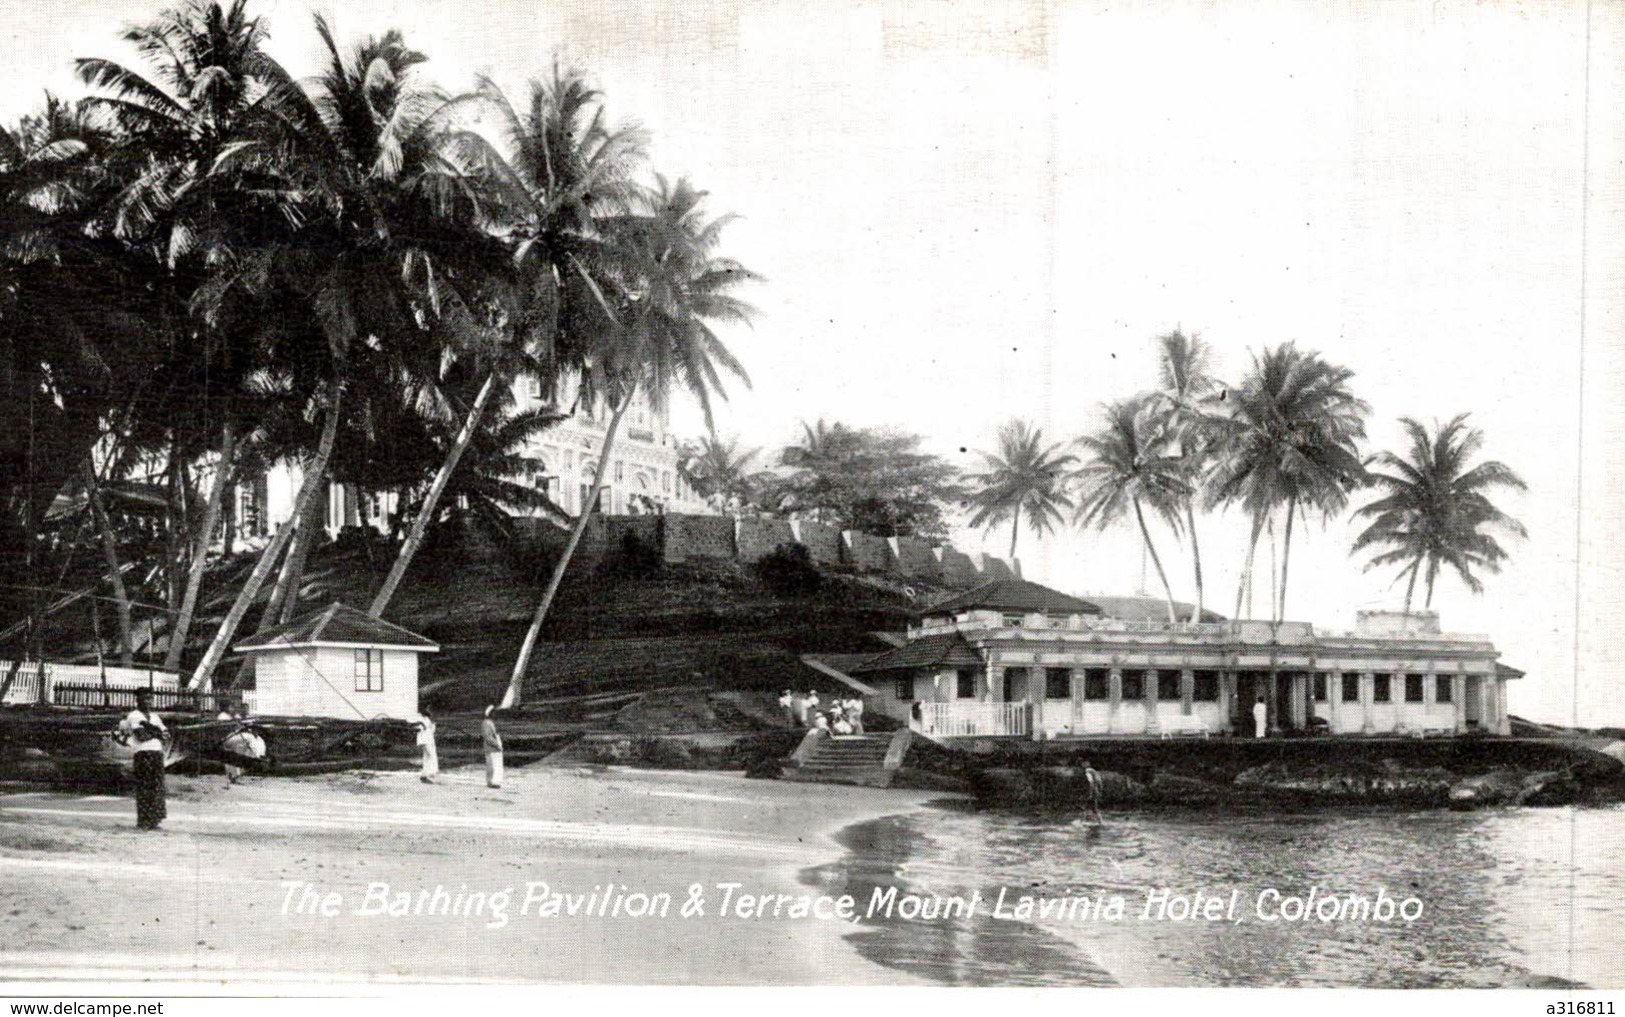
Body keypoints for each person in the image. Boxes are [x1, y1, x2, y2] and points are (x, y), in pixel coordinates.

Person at [117, 690, 168, 830]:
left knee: (157, 787)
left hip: (157, 752)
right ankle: (144, 821)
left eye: (150, 699)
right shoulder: (134, 716)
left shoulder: (155, 716)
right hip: (143, 753)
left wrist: (155, 732)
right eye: (144, 699)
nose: (147, 702)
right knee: (145, 787)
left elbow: (165, 735)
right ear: (138, 700)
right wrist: (157, 733)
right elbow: (141, 737)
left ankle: (155, 820)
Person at [482, 705, 504, 789]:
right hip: (491, 748)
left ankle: (493, 781)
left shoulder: (490, 722)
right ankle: (492, 782)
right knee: (492, 766)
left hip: (493, 748)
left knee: (494, 765)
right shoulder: (486, 723)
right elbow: (488, 737)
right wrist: (497, 745)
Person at [416, 707, 439, 783]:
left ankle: (425, 774)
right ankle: (431, 773)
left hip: (429, 739)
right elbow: (420, 728)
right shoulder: (420, 718)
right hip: (425, 740)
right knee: (431, 755)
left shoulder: (427, 719)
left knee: (427, 756)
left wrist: (433, 724)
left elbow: (431, 731)